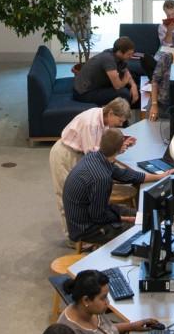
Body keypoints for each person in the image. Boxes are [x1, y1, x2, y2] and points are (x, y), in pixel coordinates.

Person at [49, 98, 133, 237]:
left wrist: (121, 144)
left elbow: (100, 148)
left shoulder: (103, 119)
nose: (120, 124)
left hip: (79, 154)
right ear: (111, 113)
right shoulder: (91, 124)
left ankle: (87, 231)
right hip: (65, 155)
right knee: (66, 197)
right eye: (120, 121)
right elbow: (93, 155)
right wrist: (117, 149)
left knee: (83, 196)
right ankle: (72, 237)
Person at [62, 129, 147, 245]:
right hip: (86, 229)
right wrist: (123, 219)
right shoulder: (102, 178)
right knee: (141, 229)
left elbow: (123, 174)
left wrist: (161, 176)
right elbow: (98, 217)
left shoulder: (94, 156)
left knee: (142, 215)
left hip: (86, 214)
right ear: (121, 148)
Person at [73, 37, 139, 106]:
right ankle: (125, 113)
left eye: (132, 53)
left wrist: (133, 85)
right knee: (124, 93)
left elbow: (126, 71)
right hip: (84, 93)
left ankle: (138, 104)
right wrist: (125, 81)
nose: (131, 56)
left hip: (96, 85)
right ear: (119, 52)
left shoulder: (116, 53)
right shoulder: (108, 60)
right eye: (129, 54)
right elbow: (118, 86)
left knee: (134, 83)